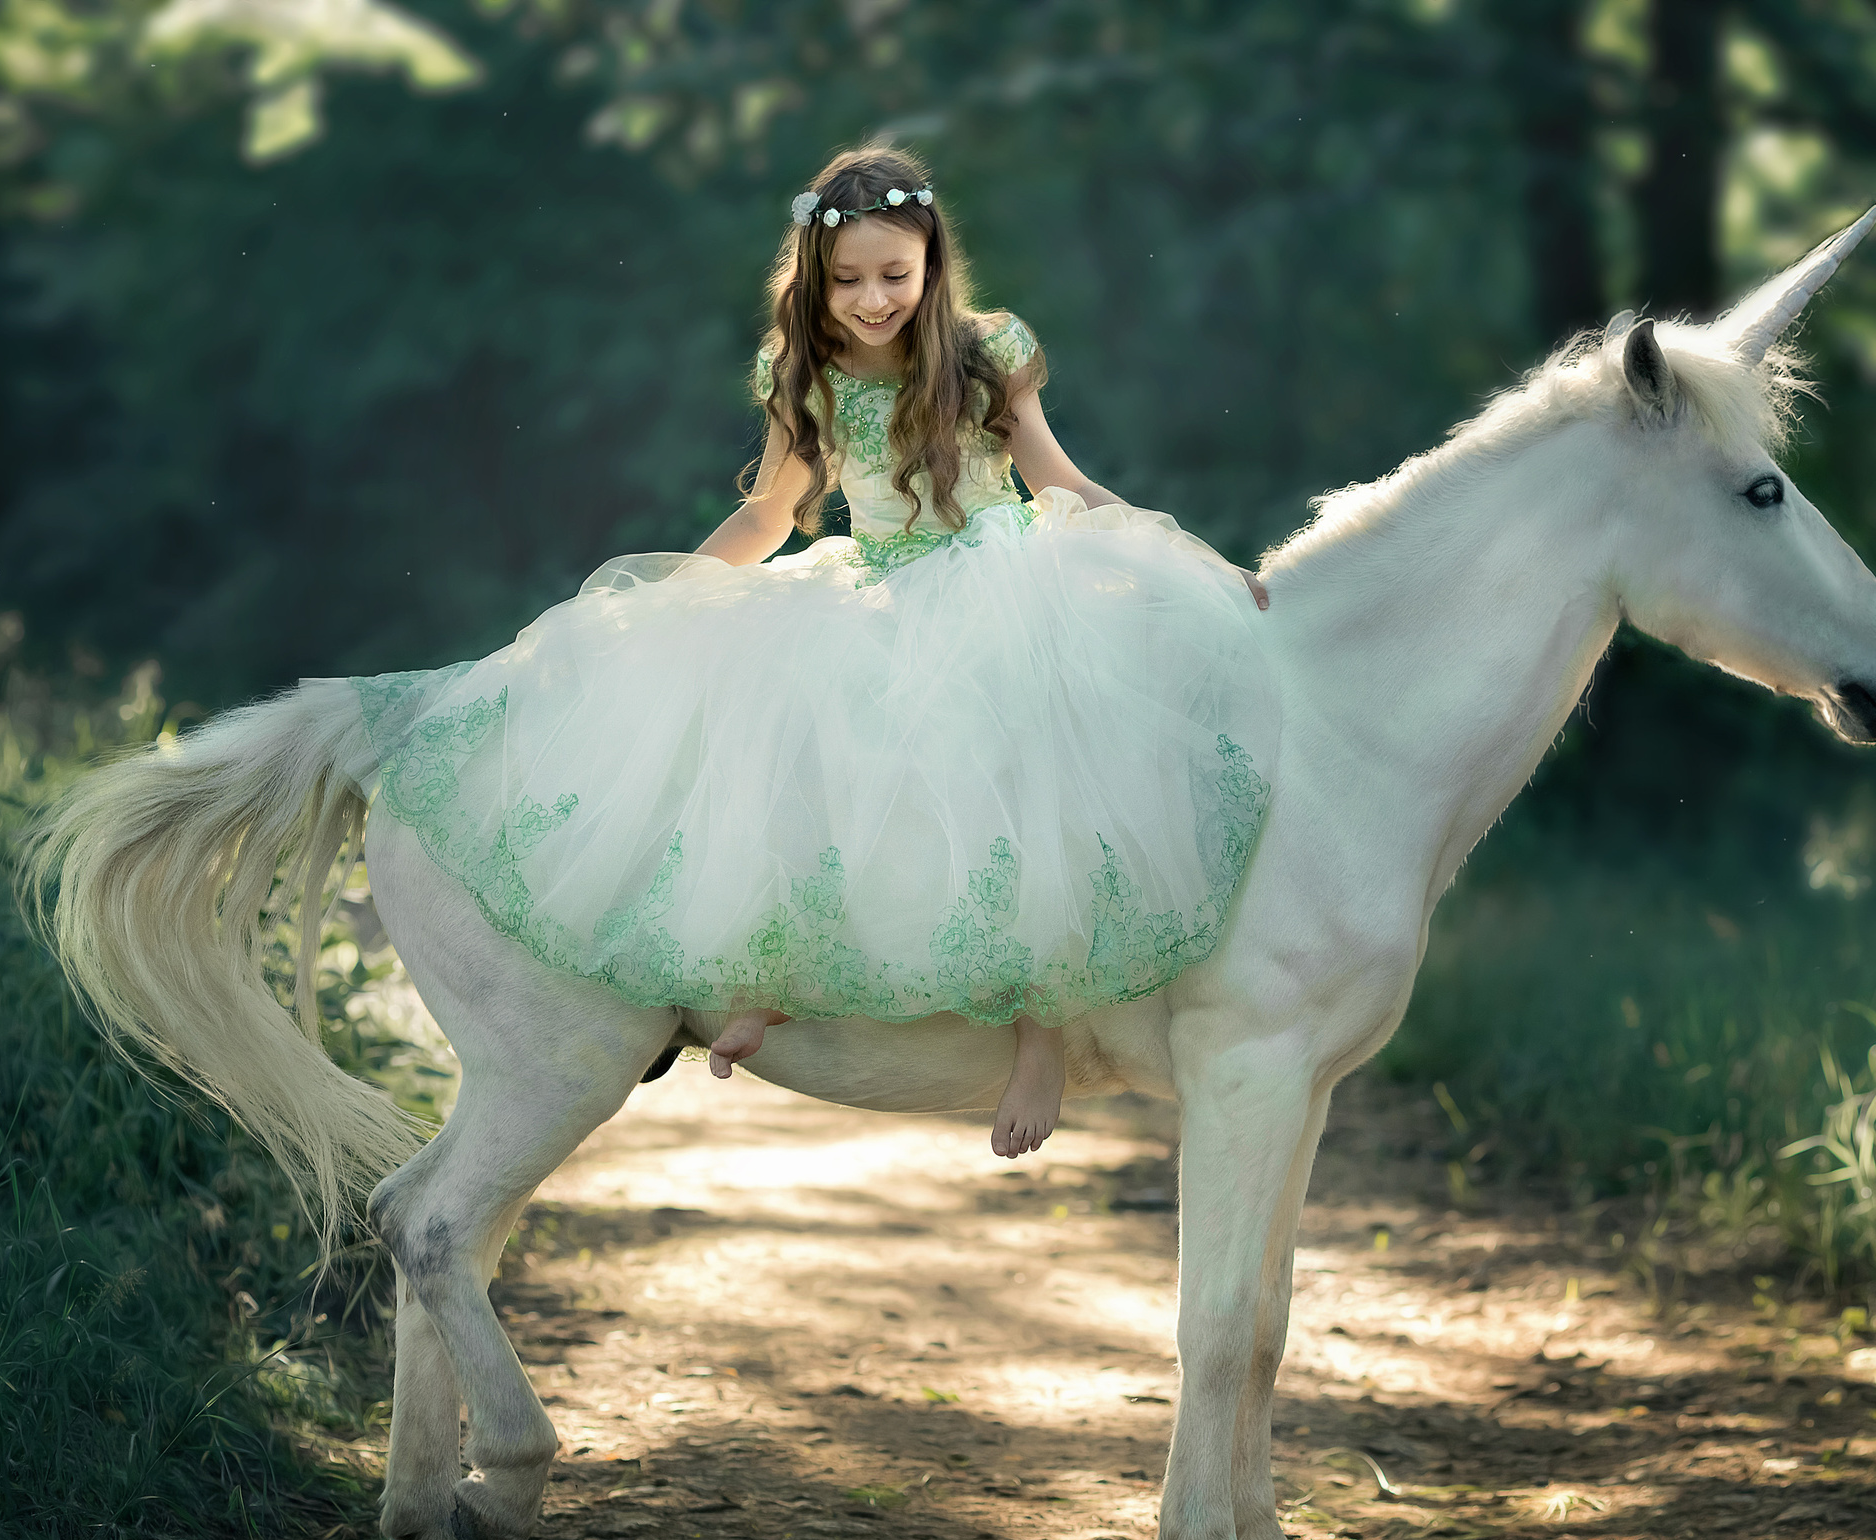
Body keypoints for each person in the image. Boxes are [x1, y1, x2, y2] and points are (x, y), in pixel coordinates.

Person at [348, 146, 1279, 1158]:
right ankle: (761, 988)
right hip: (874, 590)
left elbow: (1057, 477)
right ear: (815, 281)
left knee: (1019, 770)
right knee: (786, 752)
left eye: (894, 275)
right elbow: (772, 515)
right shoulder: (809, 377)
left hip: (1003, 585)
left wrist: (1191, 559)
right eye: (847, 280)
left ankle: (1038, 1035)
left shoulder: (985, 356)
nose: (872, 299)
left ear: (930, 266)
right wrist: (675, 596)